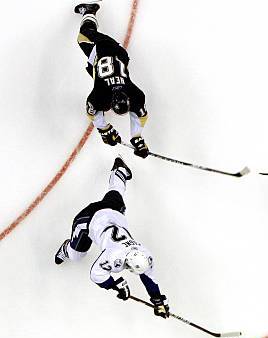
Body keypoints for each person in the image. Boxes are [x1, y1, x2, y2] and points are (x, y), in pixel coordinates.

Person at [55, 156, 169, 318]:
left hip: (113, 213)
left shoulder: (145, 256)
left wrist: (158, 300)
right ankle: (66, 248)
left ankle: (120, 170)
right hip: (88, 220)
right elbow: (96, 274)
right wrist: (114, 285)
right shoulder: (114, 257)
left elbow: (147, 276)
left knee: (115, 192)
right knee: (76, 255)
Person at [74, 1, 150, 158]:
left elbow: (140, 114)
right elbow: (91, 110)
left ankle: (89, 15)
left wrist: (106, 129)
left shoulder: (131, 94)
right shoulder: (108, 94)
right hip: (102, 48)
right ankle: (89, 11)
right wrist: (104, 128)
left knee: (96, 72)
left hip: (120, 54)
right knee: (82, 37)